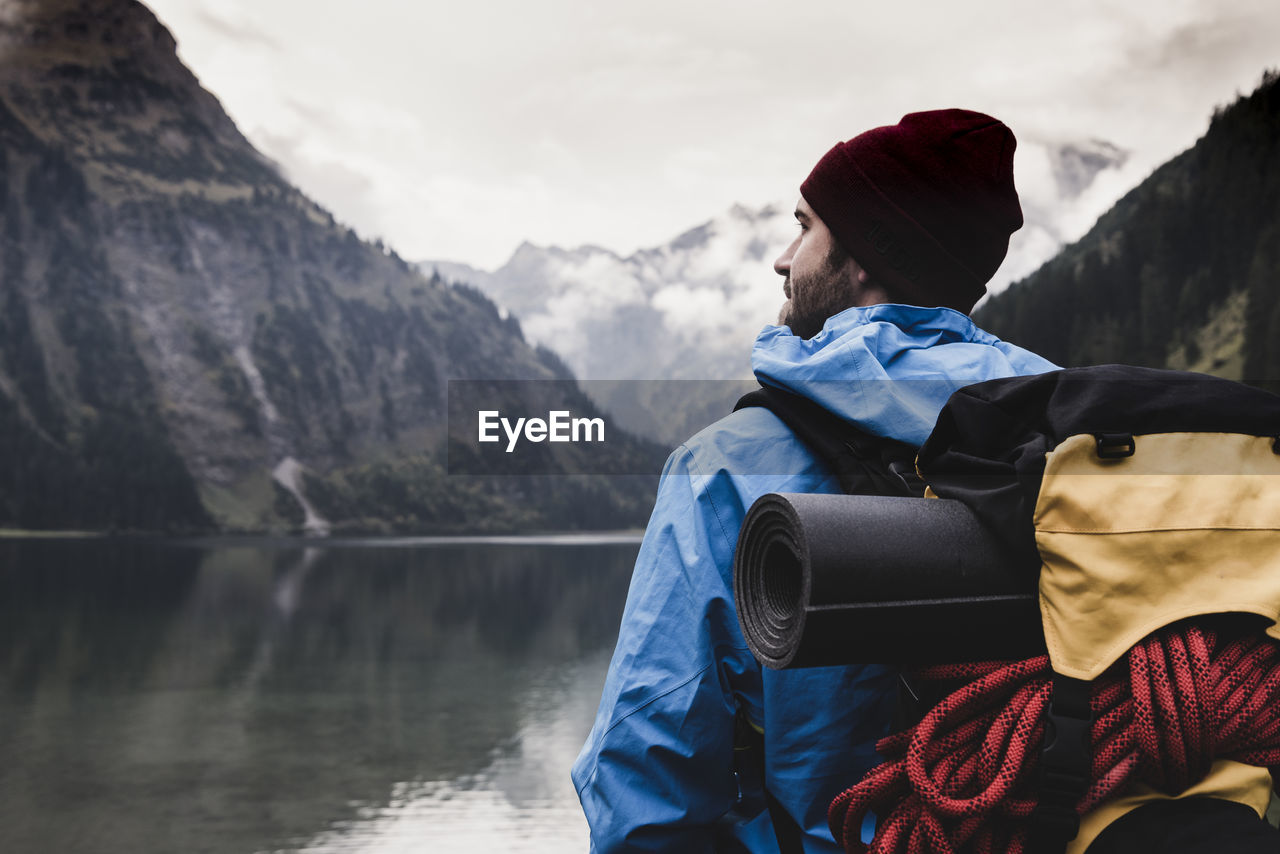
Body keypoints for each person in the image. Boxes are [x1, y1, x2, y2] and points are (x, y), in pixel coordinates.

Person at [571, 109, 1059, 853]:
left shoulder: (726, 468)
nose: (783, 258)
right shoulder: (1065, 438)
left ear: (863, 258)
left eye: (805, 228)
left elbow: (646, 778)